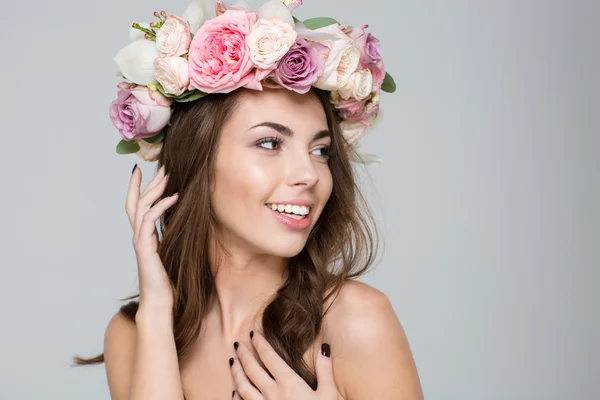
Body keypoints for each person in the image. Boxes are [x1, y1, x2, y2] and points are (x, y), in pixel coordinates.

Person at [73, 1, 424, 399]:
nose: (309, 174)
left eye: (321, 150)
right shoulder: (135, 333)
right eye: (270, 143)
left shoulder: (357, 322)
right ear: (196, 164)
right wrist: (155, 310)